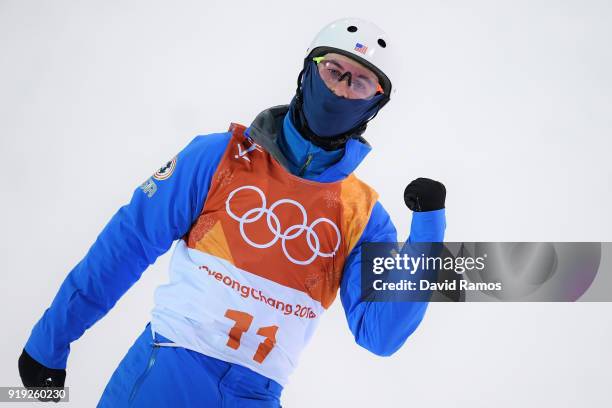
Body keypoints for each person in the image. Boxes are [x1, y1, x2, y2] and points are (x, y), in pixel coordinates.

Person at [18, 17, 447, 407]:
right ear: (307, 72)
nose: (340, 89)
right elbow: (125, 246)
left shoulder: (364, 216)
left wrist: (428, 230)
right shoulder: (219, 158)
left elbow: (380, 334)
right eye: (334, 71)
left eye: (359, 84)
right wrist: (49, 342)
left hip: (257, 394)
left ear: (374, 105)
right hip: (167, 374)